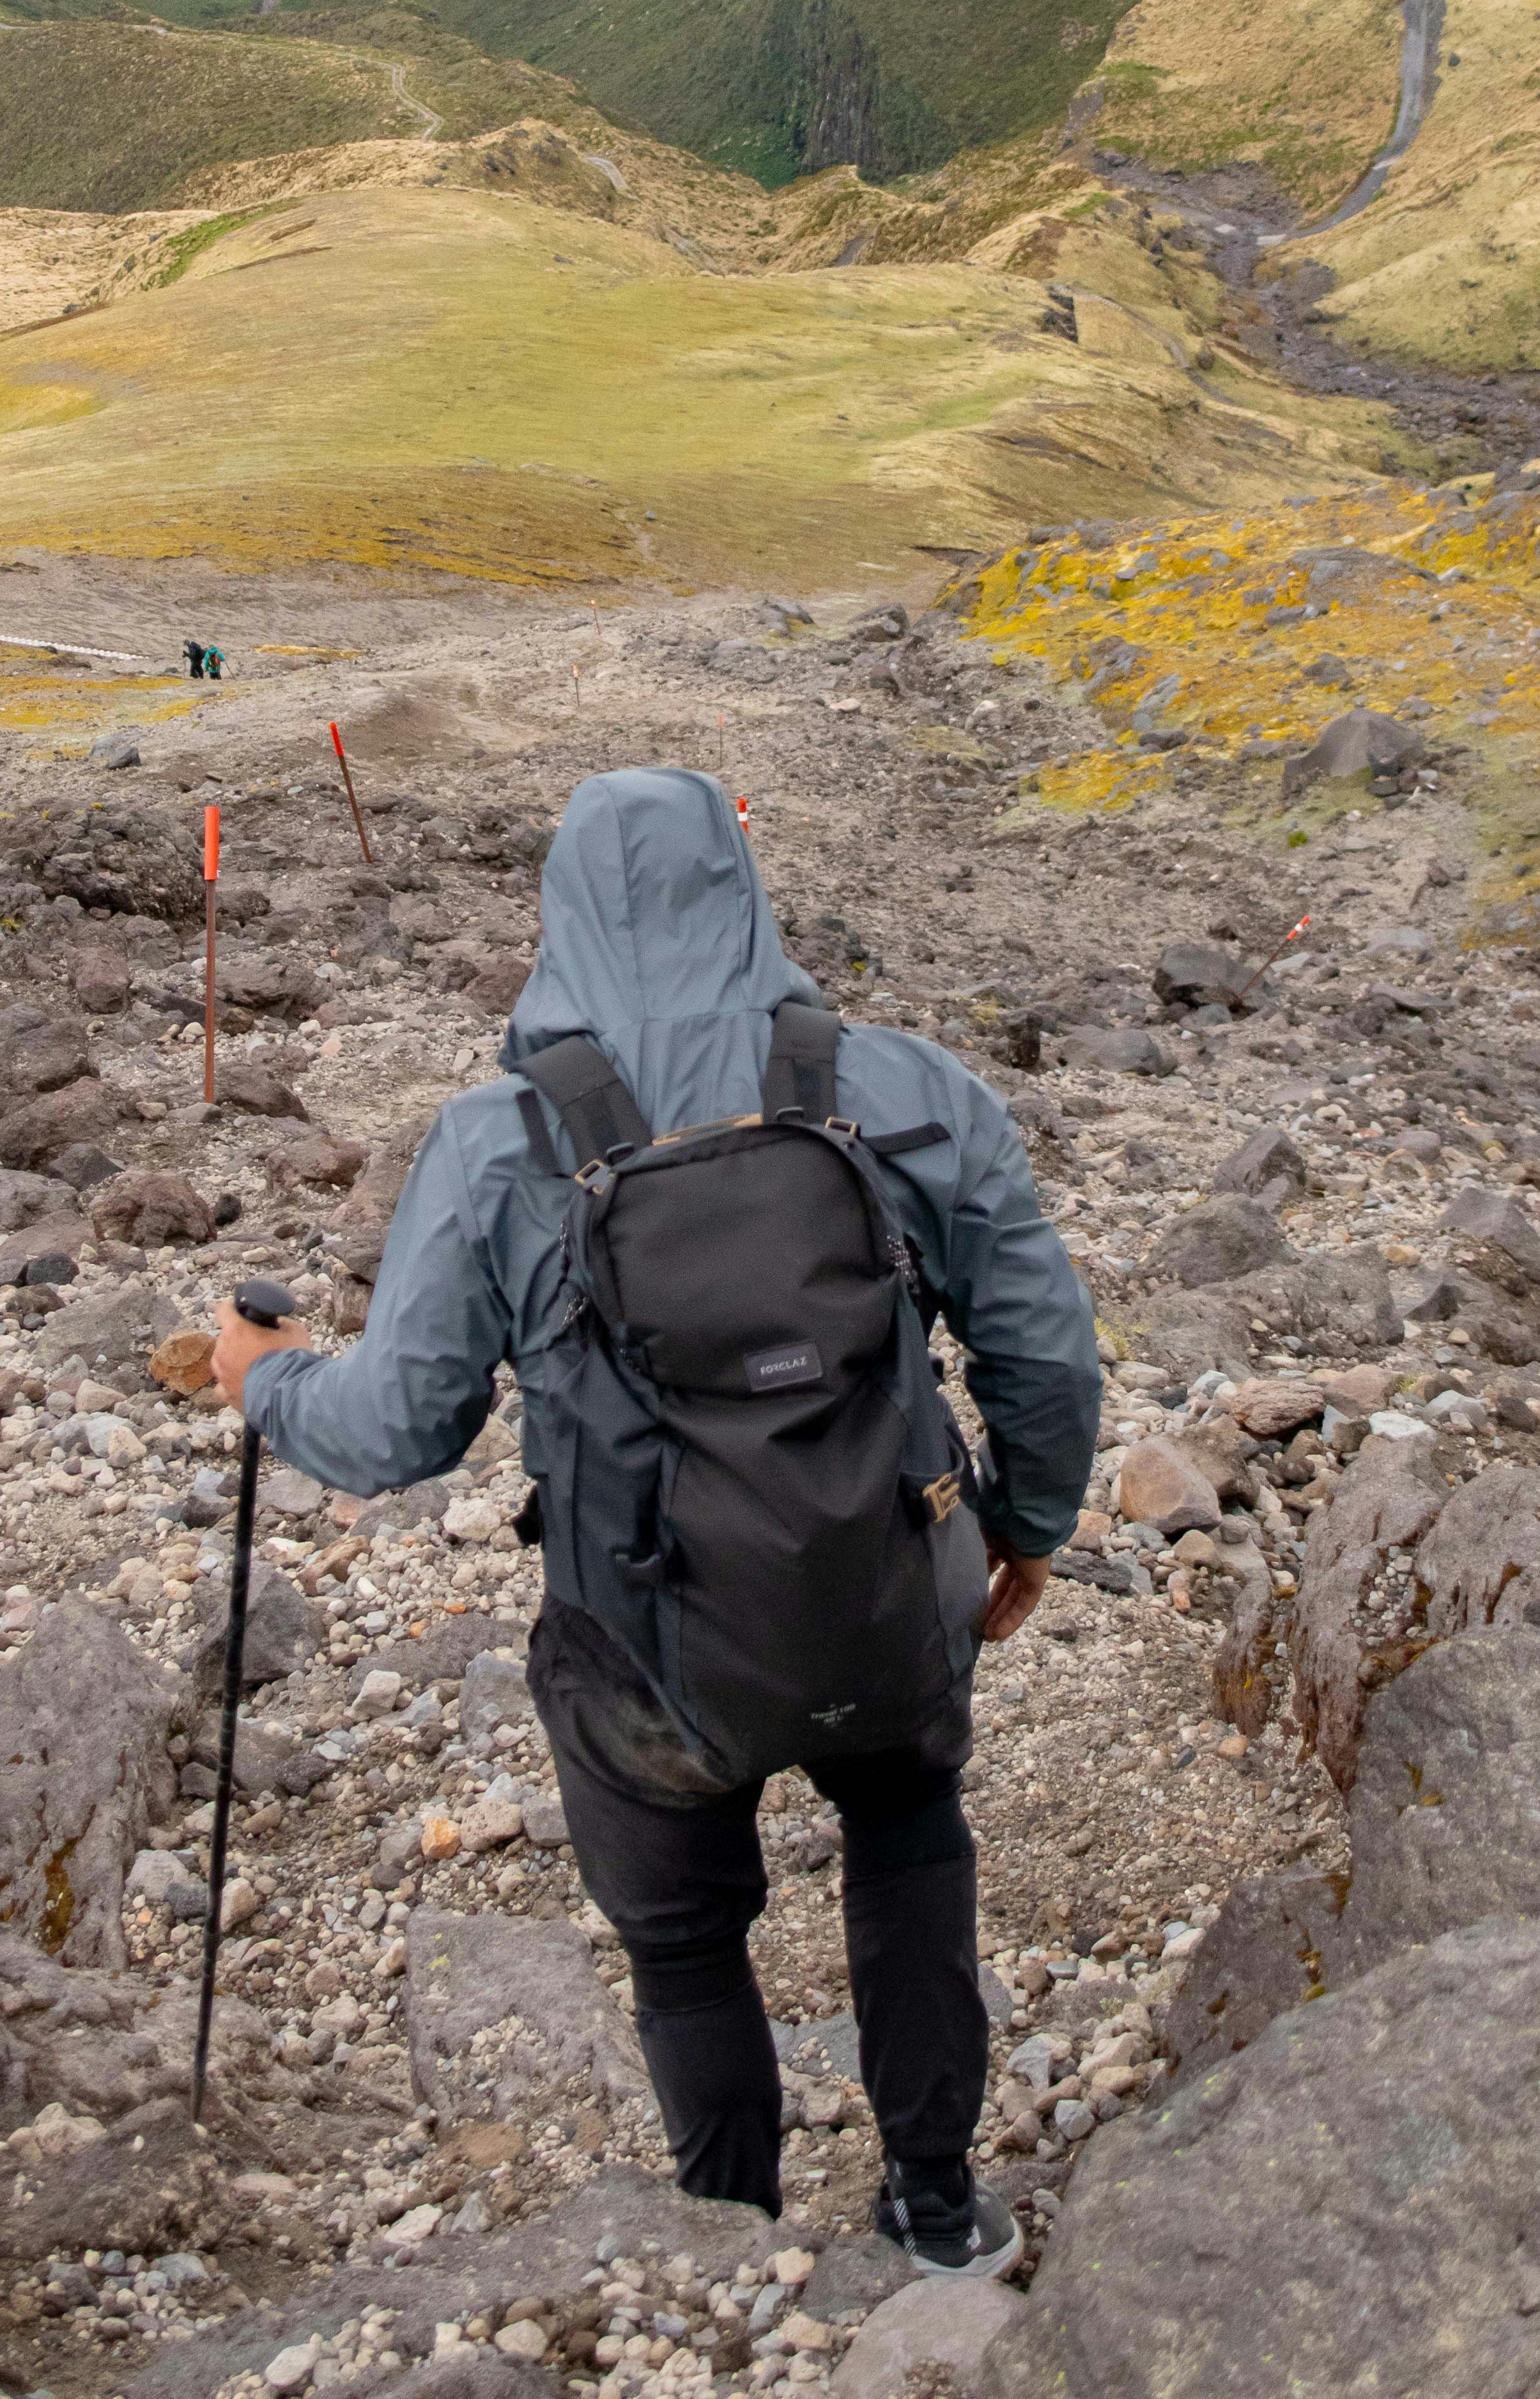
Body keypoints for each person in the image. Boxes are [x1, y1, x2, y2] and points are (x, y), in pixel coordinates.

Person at [212, 766, 1100, 2276]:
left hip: (641, 1647)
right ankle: (935, 2210)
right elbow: (1044, 1352)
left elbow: (398, 1429)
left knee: (685, 1947)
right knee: (905, 1838)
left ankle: (726, 2259)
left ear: (555, 916)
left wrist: (266, 1380)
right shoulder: (902, 1089)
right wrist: (1021, 1528)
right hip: (887, 1591)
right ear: (743, 891)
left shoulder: (500, 1142)